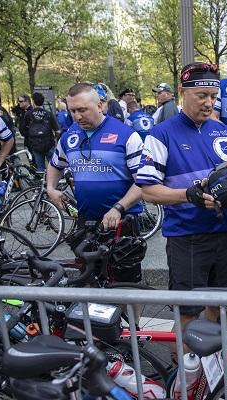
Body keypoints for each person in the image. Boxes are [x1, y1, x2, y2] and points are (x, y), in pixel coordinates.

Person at [136, 62, 227, 324]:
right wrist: (188, 195)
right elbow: (147, 190)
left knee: (221, 308)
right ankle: (187, 365)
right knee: (188, 314)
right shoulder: (161, 134)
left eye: (213, 97)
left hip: (224, 236)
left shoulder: (224, 132)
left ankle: (215, 363)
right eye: (202, 95)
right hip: (186, 239)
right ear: (183, 91)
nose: (209, 103)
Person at [47, 83, 144, 281]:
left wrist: (118, 207)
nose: (77, 116)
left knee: (126, 288)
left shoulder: (126, 134)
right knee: (90, 281)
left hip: (122, 222)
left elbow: (143, 182)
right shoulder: (69, 136)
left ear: (100, 105)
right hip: (87, 223)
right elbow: (55, 164)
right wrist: (50, 188)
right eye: (73, 110)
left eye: (83, 109)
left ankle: (129, 314)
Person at [24, 92, 60, 172]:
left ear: (33, 101)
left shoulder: (28, 114)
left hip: (35, 144)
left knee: (40, 167)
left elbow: (24, 130)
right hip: (49, 143)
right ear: (43, 102)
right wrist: (56, 140)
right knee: (53, 166)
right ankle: (53, 183)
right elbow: (57, 130)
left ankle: (42, 182)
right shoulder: (49, 114)